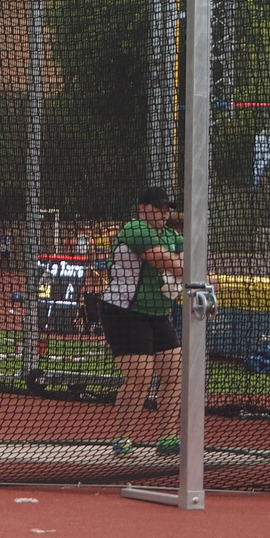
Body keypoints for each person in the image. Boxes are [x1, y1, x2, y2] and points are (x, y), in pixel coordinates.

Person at [99, 185, 184, 458]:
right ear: (142, 208)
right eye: (157, 208)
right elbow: (164, 261)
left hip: (158, 314)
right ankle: (122, 438)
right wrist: (182, 269)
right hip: (125, 312)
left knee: (174, 373)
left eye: (165, 209)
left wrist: (183, 269)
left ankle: (168, 439)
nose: (163, 213)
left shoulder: (172, 235)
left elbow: (185, 261)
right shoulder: (135, 229)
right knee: (140, 376)